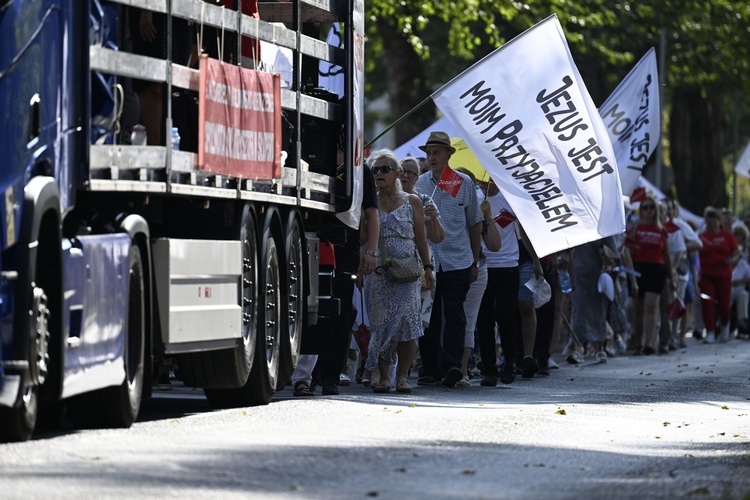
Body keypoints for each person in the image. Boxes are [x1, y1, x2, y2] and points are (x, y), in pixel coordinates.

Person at [414, 132, 483, 387]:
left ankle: (453, 365)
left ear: (448, 155)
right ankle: (429, 368)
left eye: (436, 152)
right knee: (429, 314)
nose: (431, 157)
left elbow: (475, 223)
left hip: (459, 259)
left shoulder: (464, 183)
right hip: (429, 260)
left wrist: (475, 261)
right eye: (428, 153)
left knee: (455, 313)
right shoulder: (420, 184)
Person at [364, 149, 434, 393]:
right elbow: (361, 238)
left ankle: (402, 376)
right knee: (381, 325)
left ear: (396, 173)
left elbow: (422, 238)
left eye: (385, 169)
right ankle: (384, 376)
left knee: (408, 325)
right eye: (374, 170)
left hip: (407, 273)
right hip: (378, 273)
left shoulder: (412, 201)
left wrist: (428, 268)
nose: (379, 174)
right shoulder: (368, 202)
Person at [453, 167, 501, 386]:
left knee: (468, 320)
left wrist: (487, 216)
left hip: (476, 267)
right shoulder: (445, 206)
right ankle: (446, 366)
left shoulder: (480, 208)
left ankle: (462, 369)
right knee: (449, 319)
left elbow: (495, 245)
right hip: (449, 266)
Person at [476, 179, 522, 386]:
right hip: (484, 265)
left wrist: (536, 261)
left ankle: (510, 361)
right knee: (484, 318)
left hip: (508, 264)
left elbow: (524, 229)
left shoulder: (511, 197)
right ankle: (489, 367)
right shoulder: (476, 198)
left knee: (506, 315)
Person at [625, 195, 673, 355]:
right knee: (637, 309)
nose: (649, 210)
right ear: (641, 210)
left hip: (657, 270)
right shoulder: (635, 228)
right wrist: (631, 279)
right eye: (645, 207)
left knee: (651, 307)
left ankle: (648, 343)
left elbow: (666, 255)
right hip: (638, 269)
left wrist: (672, 277)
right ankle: (638, 343)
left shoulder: (661, 230)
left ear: (656, 210)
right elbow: (628, 253)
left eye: (651, 207)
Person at [699, 206, 741, 343]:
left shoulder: (727, 236)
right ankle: (710, 331)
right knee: (707, 302)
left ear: (719, 222)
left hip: (723, 275)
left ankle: (725, 326)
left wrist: (731, 260)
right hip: (706, 276)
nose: (712, 224)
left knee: (724, 304)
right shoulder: (702, 237)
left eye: (714, 221)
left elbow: (736, 254)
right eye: (709, 222)